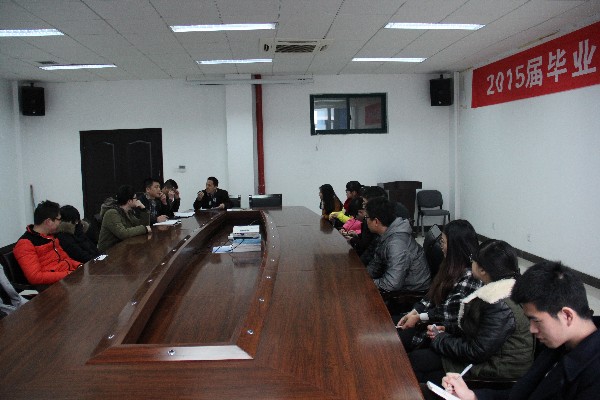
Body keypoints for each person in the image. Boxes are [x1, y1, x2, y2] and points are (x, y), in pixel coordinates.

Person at [441, 261, 600, 400]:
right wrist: (474, 396)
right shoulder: (559, 345)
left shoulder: (593, 375)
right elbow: (520, 394)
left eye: (536, 320)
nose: (532, 329)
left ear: (567, 316)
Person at [410, 239, 533, 384]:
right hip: (487, 358)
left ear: (482, 270)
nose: (471, 263)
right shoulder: (501, 293)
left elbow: (476, 351)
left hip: (496, 370)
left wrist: (439, 339)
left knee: (416, 370)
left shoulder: (500, 305)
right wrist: (448, 329)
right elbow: (480, 329)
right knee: (416, 360)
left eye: (472, 260)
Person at [397, 220, 482, 351]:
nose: (441, 246)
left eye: (443, 242)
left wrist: (419, 317)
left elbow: (448, 313)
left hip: (441, 332)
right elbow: (431, 294)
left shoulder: (470, 276)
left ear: (455, 246)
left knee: (393, 340)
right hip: (428, 322)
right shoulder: (449, 265)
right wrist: (415, 311)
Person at [364, 197, 430, 293]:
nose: (365, 221)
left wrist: (367, 283)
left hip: (411, 294)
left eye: (366, 217)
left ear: (376, 222)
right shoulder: (386, 234)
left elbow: (392, 284)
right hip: (400, 285)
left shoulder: (397, 244)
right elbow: (375, 265)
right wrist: (362, 277)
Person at [13, 200, 82, 285]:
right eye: (59, 219)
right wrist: (68, 274)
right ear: (48, 221)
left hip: (66, 279)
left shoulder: (51, 237)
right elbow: (35, 277)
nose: (60, 222)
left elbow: (66, 259)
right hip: (52, 286)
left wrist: (79, 266)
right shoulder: (25, 244)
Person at [97, 185, 151, 252]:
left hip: (122, 247)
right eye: (135, 198)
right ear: (129, 201)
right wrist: (144, 229)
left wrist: (143, 209)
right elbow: (123, 234)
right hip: (108, 251)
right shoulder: (111, 213)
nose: (137, 200)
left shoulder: (128, 212)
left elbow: (144, 225)